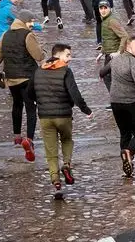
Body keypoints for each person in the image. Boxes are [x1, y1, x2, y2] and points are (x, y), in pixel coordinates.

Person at [0, 10, 44, 161]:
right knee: (31, 108)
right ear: (25, 21)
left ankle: (17, 137)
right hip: (27, 78)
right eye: (31, 21)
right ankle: (29, 140)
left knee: (17, 105)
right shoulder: (28, 35)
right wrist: (40, 47)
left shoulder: (5, 35)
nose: (32, 24)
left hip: (11, 78)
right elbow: (38, 56)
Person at [33, 43, 92, 195]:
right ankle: (66, 164)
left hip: (45, 117)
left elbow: (29, 92)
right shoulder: (65, 71)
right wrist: (86, 110)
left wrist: (38, 102)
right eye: (68, 55)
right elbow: (74, 93)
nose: (70, 59)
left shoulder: (39, 70)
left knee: (50, 150)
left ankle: (56, 181)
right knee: (66, 140)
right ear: (58, 55)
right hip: (64, 116)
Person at [100, 37, 135, 178]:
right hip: (131, 102)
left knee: (125, 133)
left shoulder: (116, 60)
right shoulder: (133, 61)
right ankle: (129, 153)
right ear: (128, 48)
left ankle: (127, 165)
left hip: (115, 102)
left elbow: (102, 72)